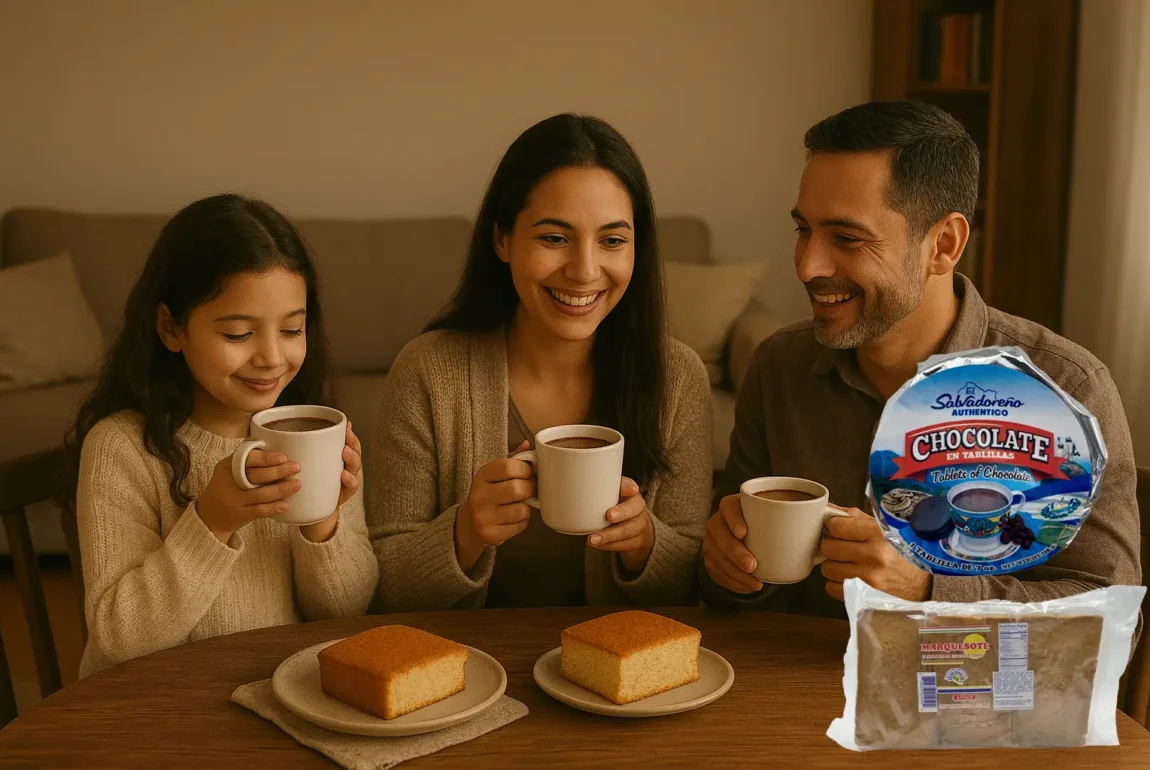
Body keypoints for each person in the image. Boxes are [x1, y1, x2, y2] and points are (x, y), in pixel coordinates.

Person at [701, 101, 1141, 617]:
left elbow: (1110, 624)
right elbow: (730, 598)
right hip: (795, 686)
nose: (806, 265)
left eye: (846, 238)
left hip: (972, 695)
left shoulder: (1067, 388)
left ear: (944, 244)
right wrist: (724, 565)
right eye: (804, 230)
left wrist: (928, 591)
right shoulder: (778, 366)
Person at [367, 114, 712, 611]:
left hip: (618, 678)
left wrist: (644, 545)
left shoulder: (677, 379)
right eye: (554, 238)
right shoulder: (428, 370)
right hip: (468, 671)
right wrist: (464, 533)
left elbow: (690, 586)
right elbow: (384, 584)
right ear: (502, 239)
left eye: (612, 241)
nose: (585, 271)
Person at [66, 194, 378, 676]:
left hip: (277, 697)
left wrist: (323, 520)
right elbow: (117, 640)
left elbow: (344, 614)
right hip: (154, 710)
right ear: (172, 328)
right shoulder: (121, 448)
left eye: (292, 329)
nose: (272, 358)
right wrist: (210, 522)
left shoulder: (318, 435)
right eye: (237, 334)